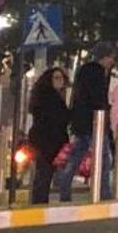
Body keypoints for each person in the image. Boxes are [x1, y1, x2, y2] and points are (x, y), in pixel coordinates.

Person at [56, 44, 117, 201]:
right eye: (111, 57)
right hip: (94, 122)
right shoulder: (97, 73)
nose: (113, 61)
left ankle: (64, 190)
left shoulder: (84, 71)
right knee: (104, 159)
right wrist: (104, 116)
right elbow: (97, 98)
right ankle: (104, 194)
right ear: (105, 57)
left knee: (75, 157)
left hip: (81, 122)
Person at [25, 66, 70, 205]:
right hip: (48, 141)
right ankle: (40, 201)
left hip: (42, 140)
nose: (60, 81)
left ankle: (39, 200)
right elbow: (59, 118)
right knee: (45, 173)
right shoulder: (51, 98)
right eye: (56, 78)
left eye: (62, 78)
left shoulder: (43, 96)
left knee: (43, 173)